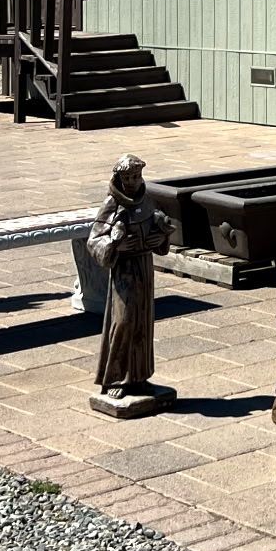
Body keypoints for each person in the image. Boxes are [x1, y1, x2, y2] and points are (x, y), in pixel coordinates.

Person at [87, 153, 173, 411]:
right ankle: (115, 377)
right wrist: (115, 244)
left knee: (143, 323)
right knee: (123, 321)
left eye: (137, 176)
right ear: (119, 178)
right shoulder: (112, 205)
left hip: (144, 268)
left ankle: (138, 377)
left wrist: (160, 238)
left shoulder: (147, 200)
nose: (134, 182)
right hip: (124, 270)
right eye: (128, 178)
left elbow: (160, 231)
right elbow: (94, 241)